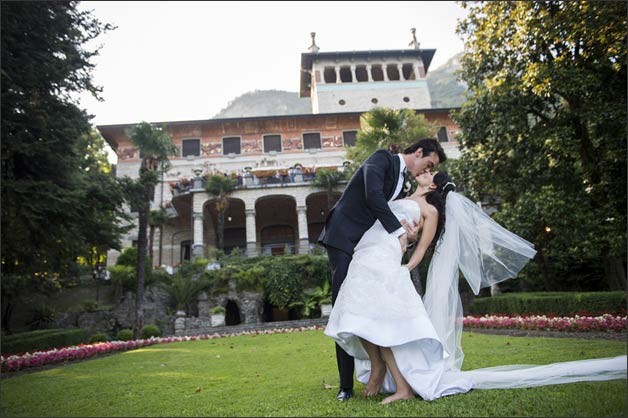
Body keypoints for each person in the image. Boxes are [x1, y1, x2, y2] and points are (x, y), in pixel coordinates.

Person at [325, 171, 627, 404]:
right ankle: (385, 373)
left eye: (430, 172)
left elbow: (423, 246)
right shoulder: (400, 195)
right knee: (366, 319)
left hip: (385, 261)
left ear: (433, 186)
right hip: (368, 252)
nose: (425, 172)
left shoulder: (430, 211)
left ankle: (400, 385)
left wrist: (408, 265)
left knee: (381, 323)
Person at [318, 138, 447, 401]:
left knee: (365, 307)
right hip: (344, 238)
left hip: (372, 247)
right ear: (419, 152)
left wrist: (408, 237)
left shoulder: (406, 187)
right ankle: (346, 386)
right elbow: (372, 196)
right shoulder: (382, 159)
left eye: (431, 170)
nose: (426, 170)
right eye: (428, 163)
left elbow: (396, 221)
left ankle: (383, 370)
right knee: (346, 304)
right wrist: (400, 232)